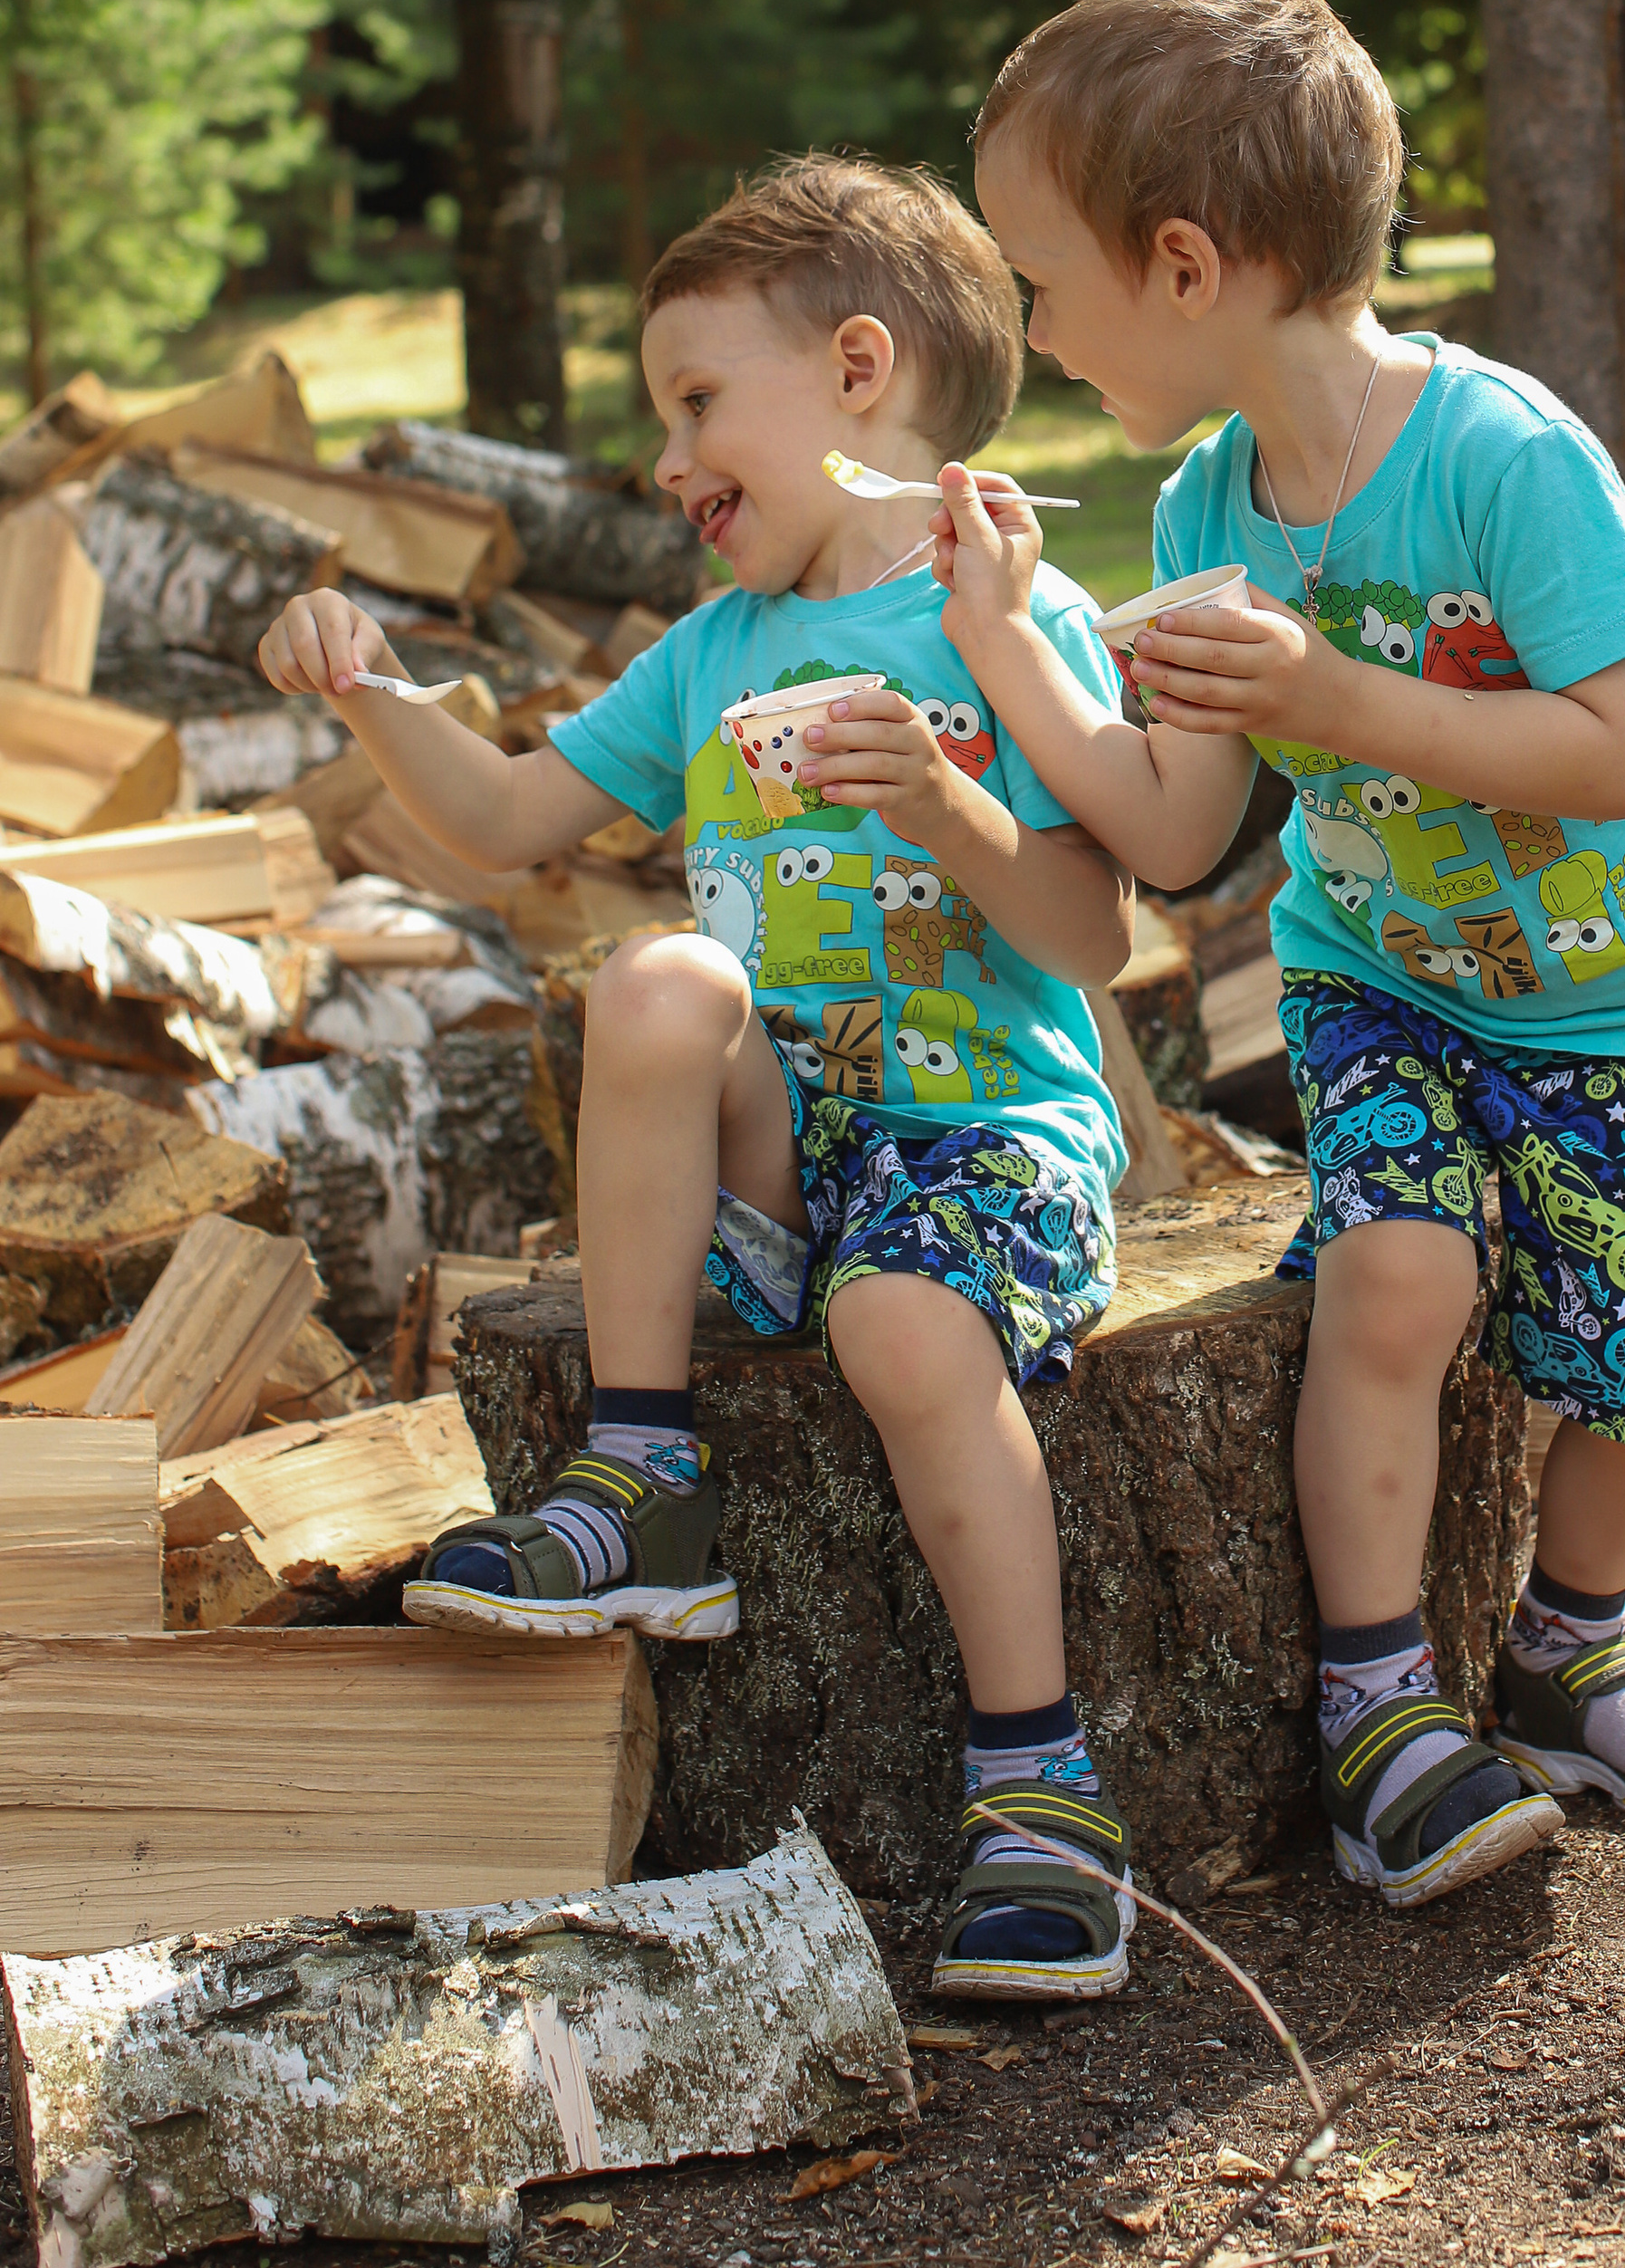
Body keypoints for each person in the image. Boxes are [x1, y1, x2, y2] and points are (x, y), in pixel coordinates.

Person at [938, 0, 1625, 1913]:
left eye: (1038, 280)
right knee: (1391, 1284)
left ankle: (1569, 1647)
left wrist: (1331, 699)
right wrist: (1007, 649)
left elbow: (1611, 752)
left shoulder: (1502, 458)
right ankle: (1378, 1710)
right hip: (1378, 979)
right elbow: (1170, 831)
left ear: (1178, 264)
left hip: (1623, 1008)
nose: (1034, 328)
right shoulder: (1199, 515)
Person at [255, 155, 1145, 2002]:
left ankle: (1041, 1791)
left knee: (905, 1335)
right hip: (781, 1150)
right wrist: (375, 688)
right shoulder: (709, 655)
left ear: (853, 371)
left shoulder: (1003, 624)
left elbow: (1091, 940)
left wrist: (939, 792)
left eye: (692, 401)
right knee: (661, 973)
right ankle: (641, 1475)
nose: (668, 461)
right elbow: (504, 824)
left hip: (983, 1143)